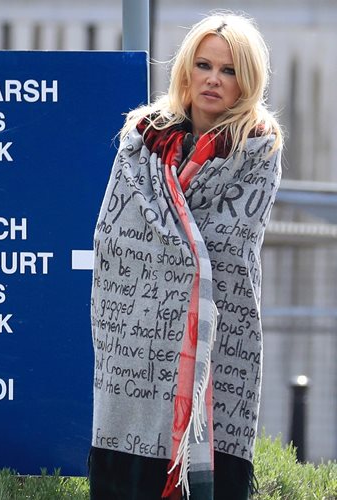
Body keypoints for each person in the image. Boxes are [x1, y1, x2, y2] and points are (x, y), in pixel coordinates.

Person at [89, 11, 283, 500]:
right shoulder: (140, 139)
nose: (214, 79)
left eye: (230, 70)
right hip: (134, 333)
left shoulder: (258, 147)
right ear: (186, 70)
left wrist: (172, 253)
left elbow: (231, 242)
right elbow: (114, 237)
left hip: (221, 333)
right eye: (204, 65)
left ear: (248, 81)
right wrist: (177, 255)